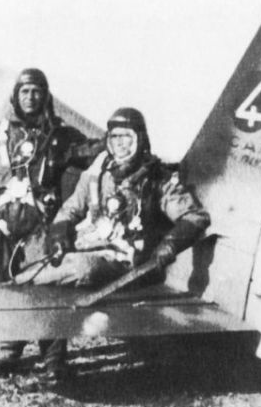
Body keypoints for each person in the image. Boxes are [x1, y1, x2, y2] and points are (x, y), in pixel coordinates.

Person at [13, 107, 211, 380]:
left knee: (77, 271)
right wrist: (59, 234)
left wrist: (168, 245)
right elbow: (71, 208)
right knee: (40, 263)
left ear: (140, 139)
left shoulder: (156, 178)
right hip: (88, 246)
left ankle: (28, 317)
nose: (120, 143)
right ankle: (43, 358)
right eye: (114, 137)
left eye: (126, 137)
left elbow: (195, 216)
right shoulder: (98, 172)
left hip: (126, 259)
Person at [0, 68, 103, 381]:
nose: (31, 97)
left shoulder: (60, 138)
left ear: (45, 96)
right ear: (15, 96)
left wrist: (118, 137)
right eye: (25, 91)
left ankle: (54, 359)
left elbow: (90, 152)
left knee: (47, 288)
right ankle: (6, 354)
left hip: (40, 226)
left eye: (37, 91)